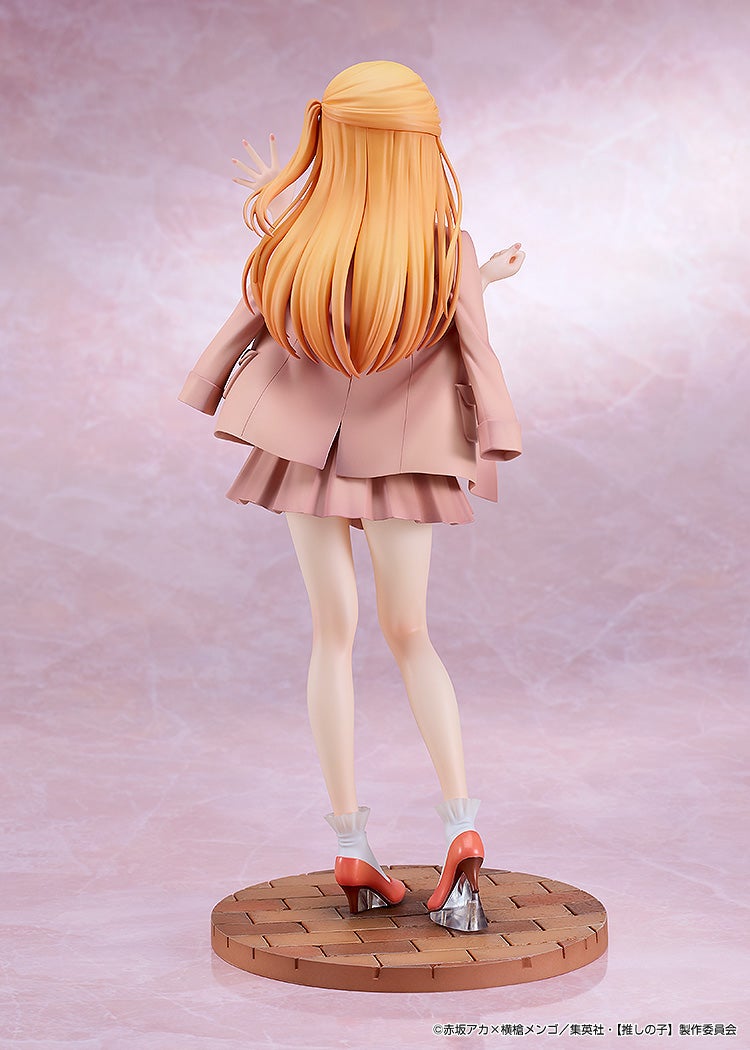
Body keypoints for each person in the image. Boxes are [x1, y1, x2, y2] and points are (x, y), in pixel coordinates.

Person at [178, 60, 525, 932]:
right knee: (411, 634)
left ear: (331, 141)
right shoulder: (443, 247)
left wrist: (208, 384)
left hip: (305, 450)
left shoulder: (298, 237)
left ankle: (351, 844)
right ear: (417, 149)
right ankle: (461, 829)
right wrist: (493, 429)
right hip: (405, 454)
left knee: (332, 635)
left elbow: (245, 321)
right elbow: (473, 348)